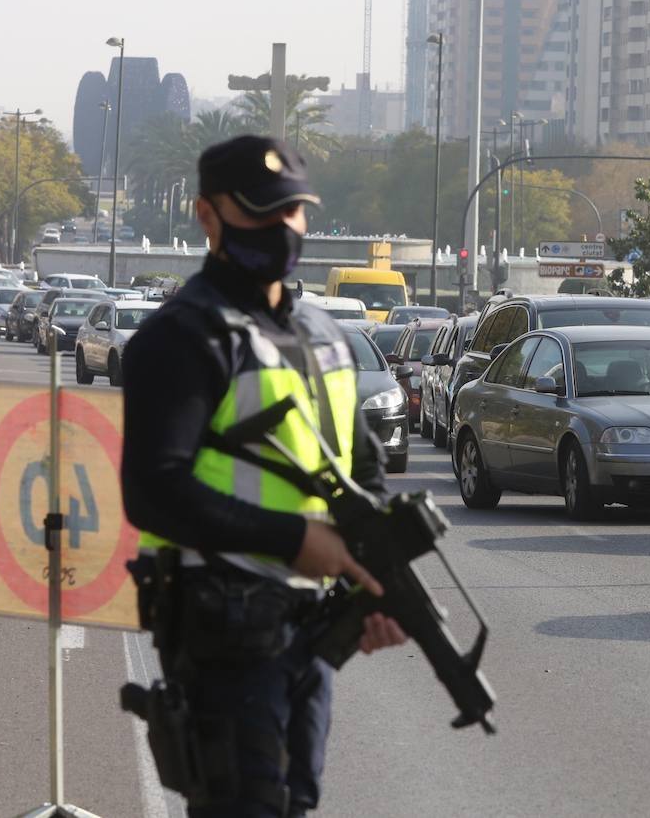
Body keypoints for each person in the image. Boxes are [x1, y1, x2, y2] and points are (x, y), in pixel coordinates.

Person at [120, 136, 407, 817]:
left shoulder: (323, 334)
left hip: (308, 626)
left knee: (292, 801)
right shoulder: (185, 335)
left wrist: (377, 587)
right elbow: (153, 490)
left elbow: (363, 472)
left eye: (292, 212)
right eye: (258, 214)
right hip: (222, 629)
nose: (281, 230)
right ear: (207, 216)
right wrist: (292, 539)